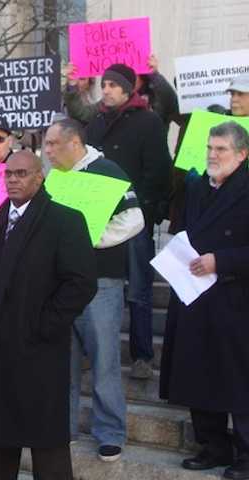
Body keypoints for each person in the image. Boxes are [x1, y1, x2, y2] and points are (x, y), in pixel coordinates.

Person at [0, 150, 97, 480]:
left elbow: (81, 283)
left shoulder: (65, 220)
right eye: (8, 174)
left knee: (47, 444)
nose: (13, 179)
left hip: (38, 351)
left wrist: (43, 325)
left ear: (40, 177)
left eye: (22, 173)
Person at [44, 118, 144, 462]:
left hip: (101, 282)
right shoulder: (56, 178)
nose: (47, 152)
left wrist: (90, 241)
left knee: (104, 359)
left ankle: (110, 432)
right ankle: (63, 427)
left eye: (52, 145)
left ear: (74, 144)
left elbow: (134, 219)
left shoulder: (109, 171)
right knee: (62, 360)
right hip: (59, 284)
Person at [160, 122, 249, 479]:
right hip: (193, 293)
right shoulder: (196, 186)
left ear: (242, 154)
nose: (212, 155)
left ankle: (246, 456)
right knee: (199, 371)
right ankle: (212, 446)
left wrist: (221, 260)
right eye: (210, 148)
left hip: (235, 298)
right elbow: (184, 229)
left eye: (221, 150)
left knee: (238, 380)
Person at [83, 63, 173, 380]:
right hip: (98, 221)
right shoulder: (94, 122)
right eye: (103, 84)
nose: (105, 89)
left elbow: (159, 170)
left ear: (126, 88)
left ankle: (142, 355)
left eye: (111, 84)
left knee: (138, 290)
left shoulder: (148, 121)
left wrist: (144, 213)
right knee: (95, 288)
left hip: (133, 220)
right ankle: (88, 349)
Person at [64, 55, 179, 128]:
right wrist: (72, 85)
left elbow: (174, 107)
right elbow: (82, 114)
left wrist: (155, 76)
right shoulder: (111, 101)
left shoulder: (156, 97)